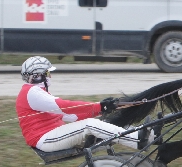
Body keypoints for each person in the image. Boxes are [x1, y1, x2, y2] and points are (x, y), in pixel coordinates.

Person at [16, 56, 153, 152]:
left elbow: (72, 116)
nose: (50, 77)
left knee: (98, 121)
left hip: (51, 136)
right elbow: (64, 106)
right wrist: (99, 106)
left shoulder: (39, 93)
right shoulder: (31, 92)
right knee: (89, 125)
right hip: (44, 140)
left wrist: (101, 111)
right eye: (48, 73)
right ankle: (136, 140)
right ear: (38, 76)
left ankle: (145, 134)